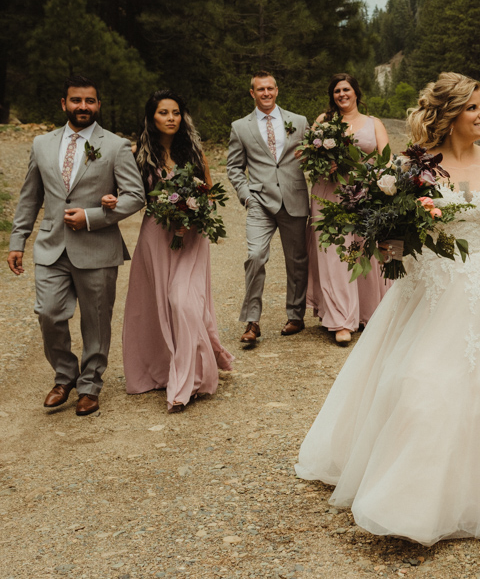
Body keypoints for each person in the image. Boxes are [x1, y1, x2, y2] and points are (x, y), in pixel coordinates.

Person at [295, 73, 480, 546]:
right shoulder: (415, 169)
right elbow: (396, 237)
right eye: (473, 107)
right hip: (432, 288)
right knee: (420, 384)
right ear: (448, 117)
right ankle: (407, 496)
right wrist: (388, 241)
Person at [7, 75, 145, 415]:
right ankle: (64, 374)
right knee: (48, 313)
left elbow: (135, 196)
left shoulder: (115, 145)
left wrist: (92, 216)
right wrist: (17, 240)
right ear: (64, 104)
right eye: (76, 100)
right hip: (51, 247)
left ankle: (90, 385)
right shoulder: (41, 144)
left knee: (96, 320)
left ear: (98, 105)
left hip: (97, 247)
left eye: (89, 101)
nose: (83, 106)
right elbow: (30, 197)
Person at [112, 90, 234, 413]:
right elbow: (129, 191)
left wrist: (193, 208)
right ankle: (163, 366)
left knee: (184, 302)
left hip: (191, 236)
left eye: (176, 112)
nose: (171, 118)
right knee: (155, 306)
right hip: (156, 235)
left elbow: (207, 188)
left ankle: (188, 382)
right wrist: (111, 200)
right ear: (152, 117)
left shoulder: (193, 150)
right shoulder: (139, 154)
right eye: (164, 112)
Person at [306, 73, 392, 345]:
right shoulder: (324, 121)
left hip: (363, 193)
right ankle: (341, 319)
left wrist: (383, 186)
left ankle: (368, 312)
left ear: (356, 92)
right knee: (334, 253)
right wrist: (323, 164)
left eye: (346, 89)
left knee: (363, 250)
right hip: (328, 193)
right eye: (336, 91)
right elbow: (309, 156)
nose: (341, 94)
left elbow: (386, 159)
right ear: (332, 96)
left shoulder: (373, 123)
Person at [226, 71, 310, 345]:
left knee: (296, 260)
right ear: (252, 93)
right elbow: (234, 167)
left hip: (294, 198)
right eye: (260, 89)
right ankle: (252, 321)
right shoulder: (240, 127)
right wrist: (246, 195)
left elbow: (313, 156)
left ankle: (296, 315)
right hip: (259, 201)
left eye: (270, 88)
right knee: (256, 255)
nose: (266, 93)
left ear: (277, 90)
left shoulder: (298, 122)